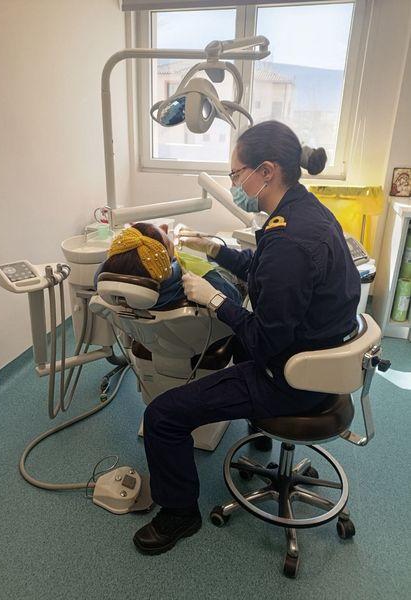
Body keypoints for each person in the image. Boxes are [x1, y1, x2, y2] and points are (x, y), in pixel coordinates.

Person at [133, 120, 361, 556]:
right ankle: (258, 428)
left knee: (163, 415)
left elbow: (263, 341)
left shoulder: (290, 240)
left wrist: (216, 300)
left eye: (236, 174)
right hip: (324, 357)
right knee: (231, 344)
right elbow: (264, 266)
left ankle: (179, 514)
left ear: (267, 171)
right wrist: (213, 248)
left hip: (294, 378)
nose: (235, 184)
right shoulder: (303, 211)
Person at [94, 222, 242, 307]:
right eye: (169, 244)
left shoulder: (108, 281)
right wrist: (213, 249)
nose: (165, 227)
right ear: (165, 261)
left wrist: (130, 249)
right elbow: (235, 299)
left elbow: (111, 264)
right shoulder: (198, 277)